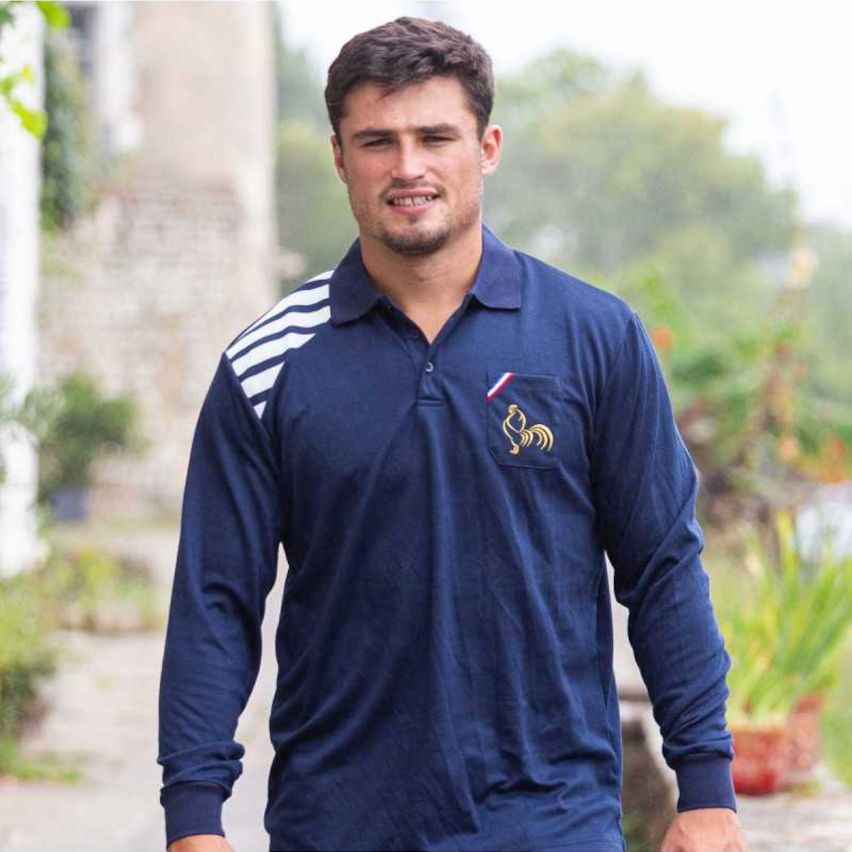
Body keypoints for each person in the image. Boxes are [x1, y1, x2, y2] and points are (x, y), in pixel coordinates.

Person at [158, 16, 748, 852]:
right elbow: (216, 598)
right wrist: (193, 816)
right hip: (338, 826)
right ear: (339, 157)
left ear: (487, 147)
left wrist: (707, 788)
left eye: (435, 137)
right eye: (378, 141)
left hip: (554, 823)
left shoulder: (594, 338)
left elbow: (662, 568)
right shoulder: (266, 365)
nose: (409, 167)